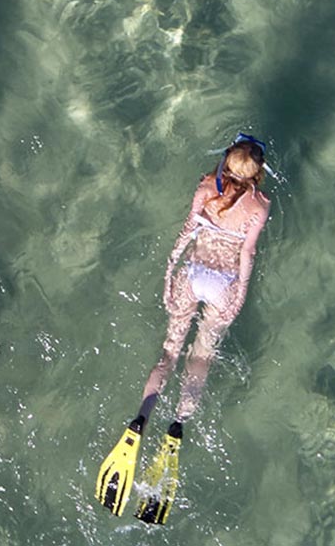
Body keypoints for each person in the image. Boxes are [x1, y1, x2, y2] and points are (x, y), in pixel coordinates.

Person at [95, 133, 272, 522]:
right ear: (257, 173)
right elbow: (247, 252)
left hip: (192, 275)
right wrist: (239, 294)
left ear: (226, 161)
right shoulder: (260, 205)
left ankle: (141, 419)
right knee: (202, 355)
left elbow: (188, 231)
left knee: (169, 352)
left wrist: (169, 268)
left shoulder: (206, 186)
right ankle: (176, 426)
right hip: (223, 284)